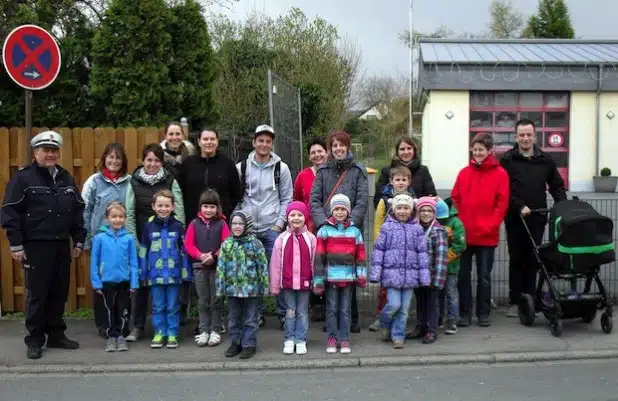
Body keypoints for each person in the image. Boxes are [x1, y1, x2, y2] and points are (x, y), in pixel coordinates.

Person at [1, 130, 86, 359]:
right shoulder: (23, 178)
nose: (50, 154)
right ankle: (35, 339)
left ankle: (56, 334)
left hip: (60, 244)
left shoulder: (66, 178)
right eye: (45, 150)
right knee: (38, 294)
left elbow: (77, 210)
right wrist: (16, 245)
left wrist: (78, 239)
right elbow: (10, 211)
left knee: (59, 292)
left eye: (54, 150)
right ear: (35, 152)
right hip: (36, 245)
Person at [500, 119, 567, 318]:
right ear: (516, 136)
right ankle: (515, 301)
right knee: (516, 259)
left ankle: (530, 298)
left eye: (529, 134)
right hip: (515, 218)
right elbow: (503, 189)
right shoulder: (508, 159)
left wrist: (561, 204)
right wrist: (519, 205)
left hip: (537, 218)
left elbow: (557, 185)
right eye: (522, 135)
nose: (525, 138)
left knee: (534, 258)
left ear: (535, 136)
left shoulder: (545, 159)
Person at [125, 143, 185, 342]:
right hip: (144, 240)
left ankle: (172, 329)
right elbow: (129, 212)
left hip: (168, 243)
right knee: (142, 286)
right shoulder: (133, 182)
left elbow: (180, 210)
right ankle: (138, 326)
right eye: (149, 160)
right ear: (143, 161)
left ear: (162, 162)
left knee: (170, 291)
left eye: (157, 160)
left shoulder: (170, 180)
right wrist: (133, 239)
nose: (152, 164)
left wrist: (180, 236)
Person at [310, 131, 368, 333]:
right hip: (328, 232)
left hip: (350, 233)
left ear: (347, 147)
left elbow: (362, 201)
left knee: (349, 274)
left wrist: (351, 223)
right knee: (330, 275)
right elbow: (315, 201)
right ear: (330, 149)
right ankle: (331, 318)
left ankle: (352, 318)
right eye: (334, 146)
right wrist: (322, 223)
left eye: (341, 145)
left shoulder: (358, 172)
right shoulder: (323, 172)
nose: (338, 149)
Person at [235, 124, 293, 328]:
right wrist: (241, 224)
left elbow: (287, 199)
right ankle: (256, 314)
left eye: (268, 141)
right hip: (249, 231)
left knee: (278, 272)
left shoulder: (281, 168)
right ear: (254, 142)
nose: (264, 144)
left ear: (272, 144)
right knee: (253, 274)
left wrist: (278, 225)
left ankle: (285, 314)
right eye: (261, 140)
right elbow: (237, 199)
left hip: (272, 229)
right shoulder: (241, 168)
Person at [451, 133, 509, 327]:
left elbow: (501, 205)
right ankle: (464, 313)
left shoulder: (500, 174)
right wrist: (459, 222)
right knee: (463, 276)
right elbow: (455, 198)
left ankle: (483, 313)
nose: (477, 153)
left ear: (489, 151)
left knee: (484, 277)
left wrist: (490, 225)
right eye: (475, 150)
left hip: (487, 235)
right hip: (464, 235)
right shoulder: (464, 173)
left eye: (481, 150)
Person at [81, 142, 131, 339]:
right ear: (104, 159)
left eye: (118, 158)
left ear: (123, 161)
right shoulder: (94, 181)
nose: (114, 161)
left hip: (124, 242)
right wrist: (86, 240)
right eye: (111, 157)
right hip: (101, 243)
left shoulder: (129, 182)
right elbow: (85, 210)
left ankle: (122, 323)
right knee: (103, 286)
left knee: (123, 285)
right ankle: (104, 324)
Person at [369, 194, 430, 348]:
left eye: (406, 208)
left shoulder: (417, 229)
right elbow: (379, 251)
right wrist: (376, 273)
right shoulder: (387, 227)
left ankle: (398, 336)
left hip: (410, 276)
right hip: (392, 276)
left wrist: (424, 277)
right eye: (400, 208)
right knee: (394, 305)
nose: (403, 211)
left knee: (404, 310)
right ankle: (384, 322)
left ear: (411, 210)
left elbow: (422, 254)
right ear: (394, 209)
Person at [139, 190, 192, 349]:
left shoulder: (178, 227)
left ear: (173, 207)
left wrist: (185, 272)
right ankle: (159, 332)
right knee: (158, 306)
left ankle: (172, 334)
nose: (163, 208)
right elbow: (143, 251)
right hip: (155, 275)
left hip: (174, 275)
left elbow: (184, 252)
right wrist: (143, 273)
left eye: (167, 205)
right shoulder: (148, 227)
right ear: (154, 206)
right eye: (160, 205)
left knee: (173, 305)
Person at [314, 194, 367, 354]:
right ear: (331, 211)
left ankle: (344, 339)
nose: (339, 212)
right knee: (331, 309)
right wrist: (318, 279)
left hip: (348, 279)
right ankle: (332, 338)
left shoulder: (355, 232)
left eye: (342, 209)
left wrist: (362, 275)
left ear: (348, 212)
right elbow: (319, 257)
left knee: (345, 310)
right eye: (336, 209)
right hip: (330, 278)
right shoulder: (324, 231)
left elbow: (361, 256)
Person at [368, 165, 417, 332]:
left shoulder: (414, 199)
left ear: (409, 181)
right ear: (391, 181)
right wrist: (378, 243)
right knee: (385, 288)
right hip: (389, 249)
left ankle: (398, 324)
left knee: (405, 289)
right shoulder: (384, 199)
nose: (401, 183)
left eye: (404, 180)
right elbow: (377, 223)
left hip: (407, 251)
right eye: (398, 180)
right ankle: (381, 316)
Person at [217, 211, 269, 360]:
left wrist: (264, 286)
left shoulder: (255, 244)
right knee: (233, 318)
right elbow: (221, 268)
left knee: (251, 318)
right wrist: (221, 287)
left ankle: (249, 344)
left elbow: (262, 266)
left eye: (241, 223)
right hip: (232, 290)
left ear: (247, 225)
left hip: (251, 290)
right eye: (234, 223)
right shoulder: (226, 244)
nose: (237, 227)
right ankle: (235, 342)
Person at [269, 201, 317, 355]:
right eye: (292, 215)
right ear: (287, 218)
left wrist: (317, 283)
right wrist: (275, 285)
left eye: (300, 215)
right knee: (290, 311)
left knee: (302, 311)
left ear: (305, 217)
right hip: (287, 284)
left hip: (305, 283)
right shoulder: (281, 239)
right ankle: (289, 338)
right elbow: (275, 264)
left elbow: (315, 263)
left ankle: (300, 339)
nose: (296, 218)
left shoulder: (311, 239)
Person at [89, 202, 139, 352]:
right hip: (106, 282)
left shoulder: (129, 238)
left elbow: (133, 261)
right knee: (109, 310)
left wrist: (134, 282)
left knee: (123, 309)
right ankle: (111, 336)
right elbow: (94, 262)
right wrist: (96, 282)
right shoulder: (100, 238)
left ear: (125, 218)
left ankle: (121, 336)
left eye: (120, 216)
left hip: (124, 281)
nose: (117, 220)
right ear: (107, 218)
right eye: (114, 216)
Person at [184, 189, 230, 347]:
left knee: (216, 300)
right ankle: (204, 330)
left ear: (217, 208)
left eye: (212, 207)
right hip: (199, 267)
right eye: (205, 206)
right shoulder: (194, 223)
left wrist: (214, 256)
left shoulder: (222, 223)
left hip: (217, 268)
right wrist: (200, 255)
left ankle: (216, 330)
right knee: (203, 300)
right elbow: (188, 244)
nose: (209, 210)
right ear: (200, 208)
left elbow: (226, 243)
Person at [293, 137, 328, 322]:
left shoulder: (332, 173)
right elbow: (297, 200)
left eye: (320, 151)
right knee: (311, 265)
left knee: (328, 264)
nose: (317, 155)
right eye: (313, 152)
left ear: (327, 152)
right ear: (309, 156)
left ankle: (329, 302)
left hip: (329, 226)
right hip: (309, 228)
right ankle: (316, 304)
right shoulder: (303, 176)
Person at [407, 197, 448, 344]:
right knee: (420, 302)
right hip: (418, 275)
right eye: (422, 210)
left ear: (434, 213)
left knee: (431, 303)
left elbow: (442, 258)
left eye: (429, 210)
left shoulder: (438, 231)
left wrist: (437, 280)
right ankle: (421, 327)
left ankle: (431, 330)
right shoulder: (415, 229)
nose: (425, 213)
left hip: (432, 276)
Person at [374, 137, 436, 208]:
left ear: (414, 150)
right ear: (397, 151)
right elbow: (378, 199)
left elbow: (431, 196)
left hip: (417, 215)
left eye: (409, 148)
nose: (406, 152)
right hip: (391, 215)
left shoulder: (423, 170)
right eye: (402, 149)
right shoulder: (386, 171)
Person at [435, 197, 466, 334]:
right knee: (437, 293)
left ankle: (453, 320)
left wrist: (444, 259)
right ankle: (439, 318)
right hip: (436, 266)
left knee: (451, 292)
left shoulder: (455, 223)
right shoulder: (432, 222)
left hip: (451, 266)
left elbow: (460, 245)